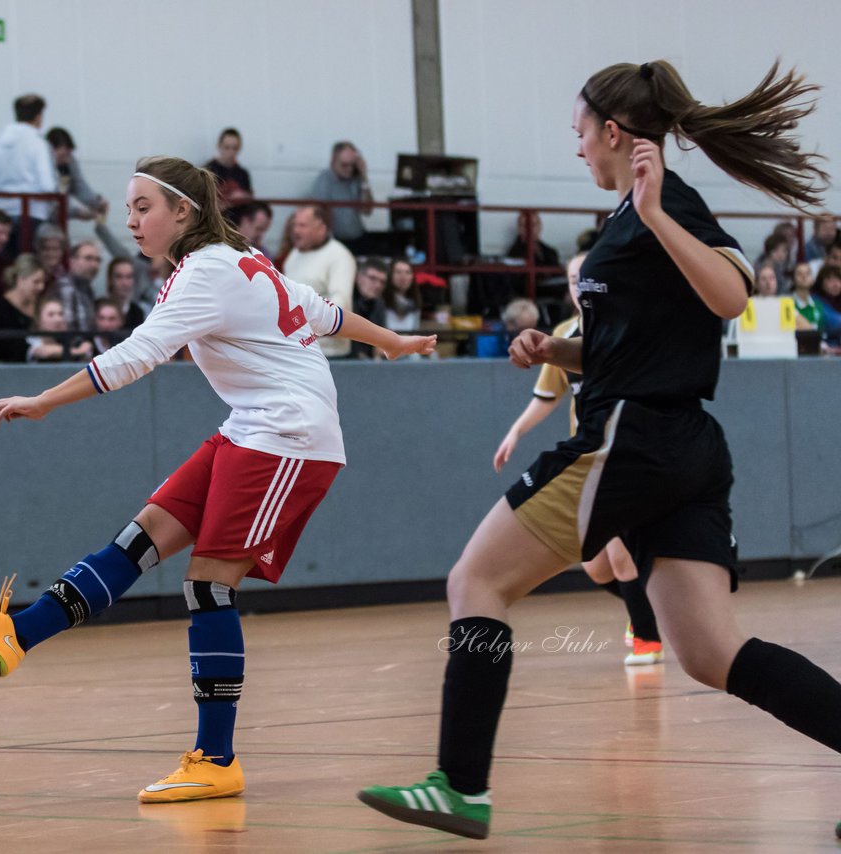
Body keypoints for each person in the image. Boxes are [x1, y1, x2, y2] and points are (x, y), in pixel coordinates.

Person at [358, 59, 840, 841]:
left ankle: (460, 785)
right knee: (712, 653)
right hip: (677, 445)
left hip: (634, 438)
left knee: (475, 580)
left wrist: (655, 214)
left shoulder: (661, 204)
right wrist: (558, 348)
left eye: (580, 130)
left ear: (613, 131)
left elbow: (730, 297)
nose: (576, 145)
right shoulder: (626, 218)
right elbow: (638, 341)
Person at [0, 156, 436, 805]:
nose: (131, 220)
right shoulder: (238, 261)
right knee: (140, 537)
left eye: (142, 206)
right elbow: (323, 313)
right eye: (127, 208)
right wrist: (391, 341)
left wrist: (44, 399)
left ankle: (216, 757)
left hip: (287, 434)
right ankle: (18, 633)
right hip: (253, 425)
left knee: (208, 585)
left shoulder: (208, 271)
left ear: (184, 211)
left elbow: (135, 357)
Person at [493, 254, 664, 667]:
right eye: (572, 279)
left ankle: (649, 637)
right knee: (597, 567)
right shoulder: (564, 334)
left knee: (620, 551)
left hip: (620, 455)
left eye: (585, 278)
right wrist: (515, 432)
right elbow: (546, 397)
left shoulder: (624, 329)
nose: (578, 285)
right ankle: (644, 611)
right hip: (584, 459)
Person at [0, 94, 57, 253]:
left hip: (1, 217)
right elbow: (47, 185)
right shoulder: (38, 145)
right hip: (32, 215)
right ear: (39, 117)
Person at [282, 205, 356, 358]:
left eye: (303, 226)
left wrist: (304, 327)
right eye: (294, 225)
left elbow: (341, 303)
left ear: (321, 228)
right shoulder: (293, 255)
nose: (296, 231)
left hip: (329, 352)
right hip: (296, 349)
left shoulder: (339, 256)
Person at [310, 141, 373, 253]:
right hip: (335, 241)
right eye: (344, 165)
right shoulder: (324, 180)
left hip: (358, 237)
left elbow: (367, 210)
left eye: (353, 165)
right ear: (333, 162)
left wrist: (364, 177)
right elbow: (319, 213)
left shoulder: (356, 179)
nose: (349, 169)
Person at [0, 253, 47, 363]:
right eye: (36, 282)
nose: (41, 287)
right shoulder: (0, 309)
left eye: (42, 282)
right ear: (20, 279)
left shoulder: (40, 305)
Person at [47, 127, 108, 220]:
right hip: (47, 212)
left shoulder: (70, 162)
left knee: (101, 205)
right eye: (64, 153)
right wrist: (78, 210)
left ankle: (101, 228)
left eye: (69, 152)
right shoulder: (45, 166)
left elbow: (79, 184)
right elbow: (55, 194)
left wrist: (95, 201)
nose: (67, 157)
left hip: (64, 207)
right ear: (51, 149)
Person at [27, 295, 92, 362]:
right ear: (38, 320)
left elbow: (87, 349)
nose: (58, 319)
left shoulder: (74, 341)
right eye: (51, 314)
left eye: (61, 314)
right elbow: (44, 351)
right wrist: (78, 351)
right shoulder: (31, 341)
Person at [203, 128, 252, 208]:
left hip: (238, 218)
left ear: (239, 148)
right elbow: (203, 202)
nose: (231, 152)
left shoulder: (242, 174)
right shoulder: (207, 172)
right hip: (216, 218)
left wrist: (244, 197)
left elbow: (249, 200)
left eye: (235, 148)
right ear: (219, 146)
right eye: (227, 147)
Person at [382, 257, 421, 332]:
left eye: (407, 272)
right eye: (398, 272)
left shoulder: (415, 304)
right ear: (390, 275)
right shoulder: (381, 303)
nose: (403, 277)